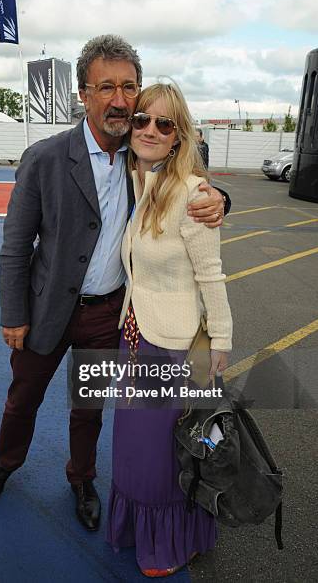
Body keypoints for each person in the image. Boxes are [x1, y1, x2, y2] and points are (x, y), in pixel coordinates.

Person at [0, 35, 230, 532]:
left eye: (128, 87)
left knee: (86, 405)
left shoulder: (142, 158)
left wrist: (218, 198)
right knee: (23, 396)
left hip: (107, 312)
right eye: (105, 86)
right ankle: (6, 464)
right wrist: (13, 314)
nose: (119, 98)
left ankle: (82, 478)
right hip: (45, 308)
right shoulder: (45, 157)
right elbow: (15, 244)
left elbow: (188, 183)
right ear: (84, 95)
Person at [106, 83, 233, 576]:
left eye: (165, 124)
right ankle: (145, 531)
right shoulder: (143, 183)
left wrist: (219, 342)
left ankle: (176, 542)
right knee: (135, 452)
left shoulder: (192, 193)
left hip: (174, 349)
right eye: (142, 120)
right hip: (134, 339)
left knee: (167, 459)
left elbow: (212, 275)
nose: (151, 131)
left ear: (180, 136)